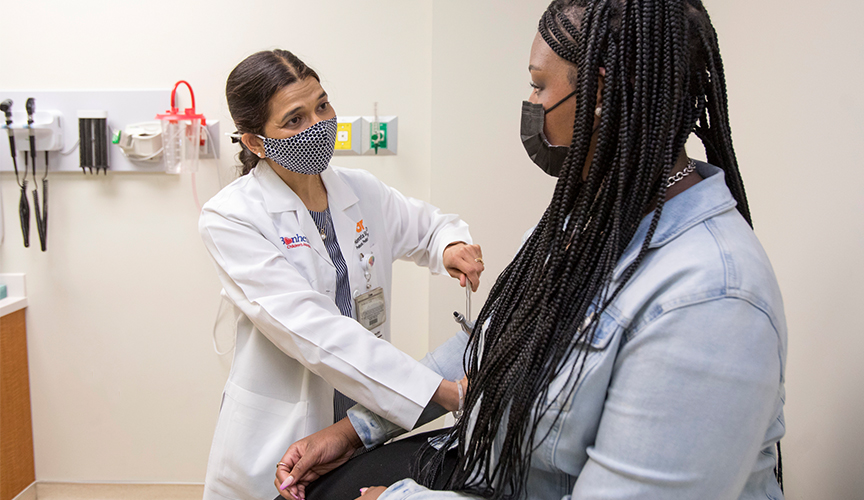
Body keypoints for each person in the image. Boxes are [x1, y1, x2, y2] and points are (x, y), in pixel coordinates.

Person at [276, 1, 787, 499]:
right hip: (495, 460)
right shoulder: (588, 219)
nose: (532, 105)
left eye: (539, 86)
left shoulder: (709, 300)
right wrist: (354, 430)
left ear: (603, 95)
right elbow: (489, 343)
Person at [198, 49, 484, 500]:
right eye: (295, 119)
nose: (318, 125)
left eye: (322, 106)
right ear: (254, 142)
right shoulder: (231, 217)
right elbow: (317, 332)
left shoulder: (359, 189)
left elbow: (427, 225)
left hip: (356, 423)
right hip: (282, 431)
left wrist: (449, 245)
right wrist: (440, 392)